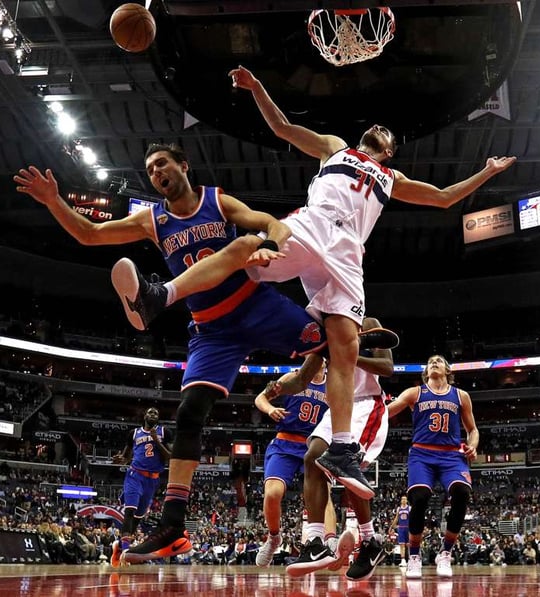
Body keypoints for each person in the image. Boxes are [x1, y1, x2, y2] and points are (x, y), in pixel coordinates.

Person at [123, 66, 515, 504]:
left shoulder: (393, 179)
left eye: (387, 132)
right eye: (375, 125)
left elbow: (444, 197)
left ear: (389, 151)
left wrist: (487, 173)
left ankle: (344, 448)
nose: (378, 128)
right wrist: (257, 88)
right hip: (313, 227)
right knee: (246, 251)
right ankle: (165, 293)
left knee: (344, 346)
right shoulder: (334, 148)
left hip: (349, 252)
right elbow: (283, 127)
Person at [14, 146, 394, 562]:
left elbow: (269, 222)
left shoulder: (217, 200)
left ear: (183, 165)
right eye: (150, 169)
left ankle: (364, 352)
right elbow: (89, 234)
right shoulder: (152, 220)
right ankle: (173, 528)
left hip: (255, 305)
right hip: (212, 329)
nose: (156, 171)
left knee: (331, 340)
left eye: (162, 163)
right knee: (189, 413)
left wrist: (269, 243)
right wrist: (54, 201)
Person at [263, 317, 393, 580]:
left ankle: (370, 541)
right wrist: (278, 387)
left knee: (346, 469)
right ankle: (314, 543)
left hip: (365, 405)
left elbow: (387, 367)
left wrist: (348, 354)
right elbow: (301, 380)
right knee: (313, 457)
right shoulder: (323, 332)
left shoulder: (367, 323)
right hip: (336, 406)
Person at [386, 355, 479, 579]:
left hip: (451, 455)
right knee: (419, 498)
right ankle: (415, 557)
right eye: (430, 361)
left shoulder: (461, 396)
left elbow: (472, 430)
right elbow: (387, 412)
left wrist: (473, 446)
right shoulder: (414, 393)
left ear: (448, 370)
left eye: (439, 360)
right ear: (426, 372)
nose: (434, 362)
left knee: (462, 493)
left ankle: (445, 553)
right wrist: (372, 407)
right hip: (422, 453)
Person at [253, 363, 330, 567]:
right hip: (285, 442)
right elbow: (260, 398)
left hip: (316, 444)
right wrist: (270, 409)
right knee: (272, 493)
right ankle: (274, 538)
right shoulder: (292, 378)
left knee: (325, 495)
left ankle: (326, 541)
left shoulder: (333, 383)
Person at [109, 407, 170, 567]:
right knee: (130, 510)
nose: (153, 414)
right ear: (145, 416)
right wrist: (121, 460)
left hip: (152, 480)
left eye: (156, 413)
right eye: (150, 412)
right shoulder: (134, 433)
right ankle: (126, 552)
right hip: (134, 475)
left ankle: (121, 547)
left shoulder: (165, 432)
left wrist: (157, 441)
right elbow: (126, 456)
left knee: (138, 518)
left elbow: (170, 457)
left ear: (158, 418)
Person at [387, 495, 410, 567]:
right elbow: (396, 518)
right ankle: (403, 560)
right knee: (402, 545)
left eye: (405, 499)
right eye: (402, 499)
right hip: (401, 528)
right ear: (401, 501)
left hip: (408, 528)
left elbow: (412, 518)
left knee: (409, 545)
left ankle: (410, 560)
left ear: (406, 501)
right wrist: (391, 527)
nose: (403, 500)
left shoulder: (409, 508)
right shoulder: (399, 509)